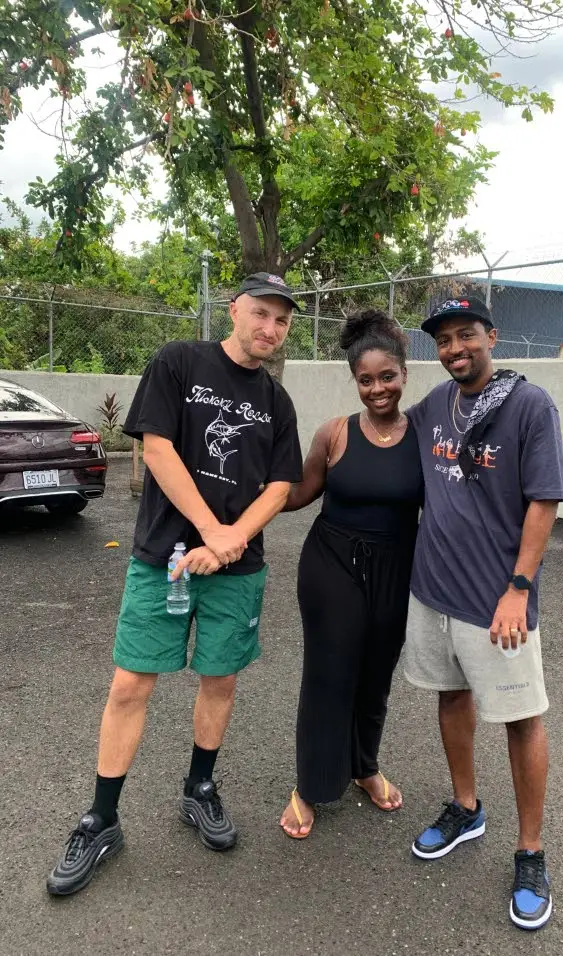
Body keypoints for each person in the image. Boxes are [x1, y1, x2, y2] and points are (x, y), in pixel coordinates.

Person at [47, 273, 303, 896]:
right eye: (261, 314)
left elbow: (280, 486)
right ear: (235, 310)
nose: (270, 329)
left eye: (283, 321)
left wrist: (230, 539)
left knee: (220, 679)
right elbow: (158, 450)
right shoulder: (179, 362)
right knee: (131, 682)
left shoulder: (276, 401)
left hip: (236, 568)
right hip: (163, 556)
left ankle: (200, 788)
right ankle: (101, 818)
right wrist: (211, 529)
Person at [404, 296, 563, 931]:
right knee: (450, 697)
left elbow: (545, 500)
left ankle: (530, 852)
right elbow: (380, 423)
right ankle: (466, 807)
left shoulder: (531, 406)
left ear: (491, 336)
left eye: (465, 334)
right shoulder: (434, 407)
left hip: (498, 602)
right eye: (443, 339)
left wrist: (519, 587)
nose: (454, 348)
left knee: (522, 719)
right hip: (433, 590)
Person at [279, 310, 423, 839]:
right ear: (355, 381)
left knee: (375, 675)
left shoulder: (424, 437)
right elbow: (296, 495)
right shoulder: (334, 434)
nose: (377, 389)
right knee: (329, 674)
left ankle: (364, 766)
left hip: (397, 568)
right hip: (332, 565)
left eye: (387, 377)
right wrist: (245, 488)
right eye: (366, 380)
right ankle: (311, 785)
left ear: (404, 374)